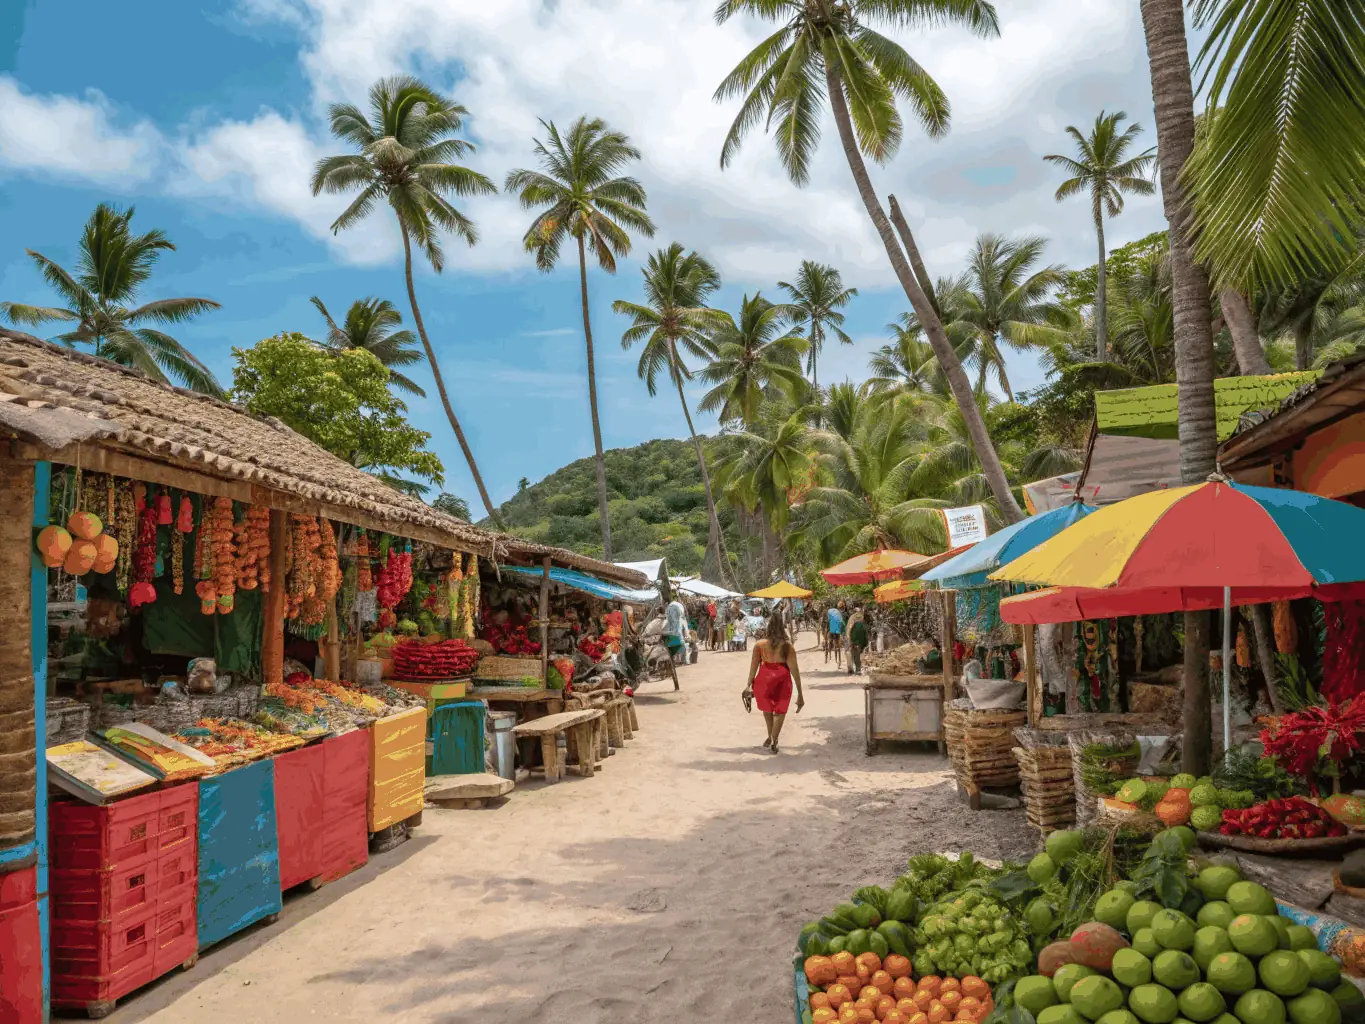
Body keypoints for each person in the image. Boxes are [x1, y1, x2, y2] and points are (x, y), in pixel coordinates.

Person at [743, 611, 804, 753]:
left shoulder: (759, 645)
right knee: (780, 711)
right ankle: (774, 739)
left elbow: (753, 668)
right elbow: (795, 671)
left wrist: (748, 685)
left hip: (763, 679)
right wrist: (800, 694)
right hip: (782, 680)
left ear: (768, 627)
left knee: (768, 710)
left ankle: (770, 736)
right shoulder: (787, 646)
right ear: (782, 627)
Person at [661, 593, 686, 689]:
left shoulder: (671, 608)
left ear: (666, 602)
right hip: (676, 632)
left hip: (673, 634)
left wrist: (669, 631)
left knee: (672, 652)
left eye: (663, 603)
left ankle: (677, 661)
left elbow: (673, 621)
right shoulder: (675, 605)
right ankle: (678, 661)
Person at [847, 605, 869, 676]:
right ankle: (857, 669)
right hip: (860, 641)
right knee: (858, 655)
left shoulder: (852, 620)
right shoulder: (862, 622)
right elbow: (865, 633)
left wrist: (850, 640)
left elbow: (849, 631)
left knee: (854, 654)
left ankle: (854, 669)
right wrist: (866, 643)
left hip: (854, 641)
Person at [826, 601, 846, 667]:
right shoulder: (840, 614)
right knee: (838, 641)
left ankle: (830, 645)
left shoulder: (831, 611)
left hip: (831, 630)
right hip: (837, 631)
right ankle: (837, 646)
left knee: (829, 635)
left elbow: (828, 619)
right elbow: (842, 623)